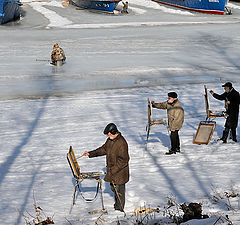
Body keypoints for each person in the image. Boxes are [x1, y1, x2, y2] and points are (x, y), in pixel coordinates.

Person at [82, 123, 130, 212]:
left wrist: (113, 170)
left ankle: (119, 210)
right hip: (113, 171)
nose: (107, 136)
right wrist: (90, 153)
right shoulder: (110, 140)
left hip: (120, 172)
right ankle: (117, 206)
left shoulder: (122, 143)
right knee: (114, 189)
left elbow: (124, 160)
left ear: (113, 132)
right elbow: (103, 149)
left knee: (119, 192)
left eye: (108, 134)